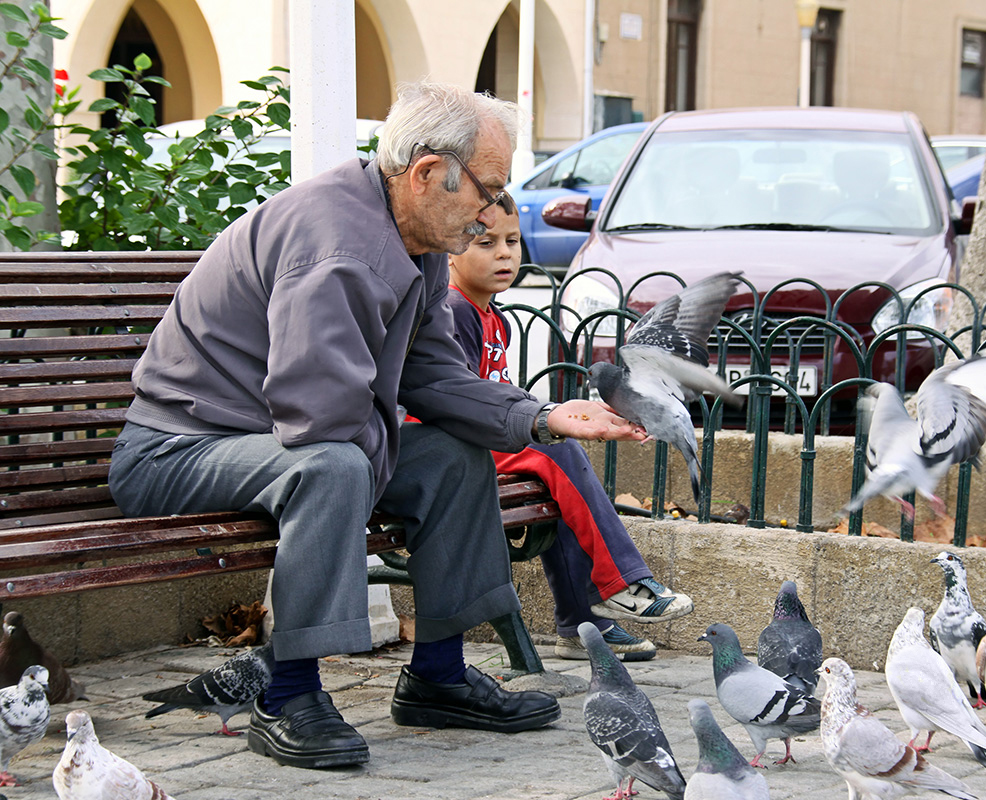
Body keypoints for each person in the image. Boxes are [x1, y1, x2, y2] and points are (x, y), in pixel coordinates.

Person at [106, 81, 647, 771]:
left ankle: (439, 677)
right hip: (175, 452)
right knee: (333, 465)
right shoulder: (339, 245)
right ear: (427, 174)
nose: (488, 216)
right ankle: (288, 695)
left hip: (270, 444)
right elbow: (319, 416)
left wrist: (538, 416)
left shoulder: (409, 235)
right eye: (486, 190)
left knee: (453, 455)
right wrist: (378, 472)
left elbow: (432, 374)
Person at [444, 209, 694, 662]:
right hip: (450, 446)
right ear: (449, 251)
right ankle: (620, 583)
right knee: (555, 454)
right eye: (486, 243)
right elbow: (459, 401)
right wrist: (547, 423)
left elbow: (497, 394)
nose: (504, 253)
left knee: (557, 466)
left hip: (481, 439)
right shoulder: (456, 311)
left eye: (513, 241)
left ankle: (583, 624)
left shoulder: (489, 316)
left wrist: (565, 413)